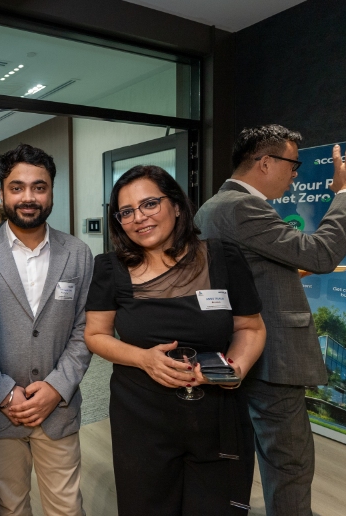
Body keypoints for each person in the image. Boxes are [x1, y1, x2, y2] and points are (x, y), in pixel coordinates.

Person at [195, 125, 346, 515]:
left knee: (269, 456)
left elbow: (246, 273)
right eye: (293, 165)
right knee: (290, 463)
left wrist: (287, 273)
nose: (296, 174)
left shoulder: (215, 206)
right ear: (265, 162)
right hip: (272, 357)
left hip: (248, 350)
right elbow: (320, 254)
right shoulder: (241, 207)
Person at [84, 165, 266, 515]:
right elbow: (95, 335)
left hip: (216, 414)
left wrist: (235, 369)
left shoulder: (223, 257)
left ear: (177, 206)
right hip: (141, 416)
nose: (139, 217)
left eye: (150, 204)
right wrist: (144, 359)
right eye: (126, 212)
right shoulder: (110, 268)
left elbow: (251, 328)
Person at [0, 144, 92, 516]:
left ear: (51, 191)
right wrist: (2, 393)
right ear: (2, 193)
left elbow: (85, 328)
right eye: (17, 187)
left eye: (39, 187)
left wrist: (57, 387)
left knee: (66, 508)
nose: (28, 197)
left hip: (58, 410)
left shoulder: (77, 253)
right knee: (11, 507)